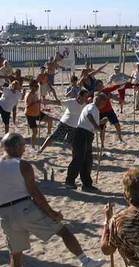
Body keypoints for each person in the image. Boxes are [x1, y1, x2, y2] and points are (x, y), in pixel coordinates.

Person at [0, 133, 105, 267]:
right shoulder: (23, 165)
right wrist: (51, 212)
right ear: (16, 147)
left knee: (16, 254)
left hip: (5, 214)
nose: (24, 149)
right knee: (63, 231)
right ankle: (85, 260)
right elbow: (35, 193)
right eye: (22, 146)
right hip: (24, 208)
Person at [65, 93, 107, 192]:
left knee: (87, 161)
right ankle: (69, 181)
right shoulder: (92, 107)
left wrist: (101, 122)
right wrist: (97, 126)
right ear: (99, 100)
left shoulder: (93, 108)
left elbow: (90, 121)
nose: (104, 105)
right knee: (79, 159)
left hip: (87, 135)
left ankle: (87, 184)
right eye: (104, 102)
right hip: (82, 134)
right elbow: (89, 116)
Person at [39, 89, 89, 153]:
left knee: (72, 143)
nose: (86, 98)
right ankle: (41, 149)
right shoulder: (71, 102)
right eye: (85, 96)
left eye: (87, 96)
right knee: (53, 137)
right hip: (64, 123)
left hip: (74, 127)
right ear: (80, 96)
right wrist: (48, 101)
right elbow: (59, 102)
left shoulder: (86, 105)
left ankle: (75, 156)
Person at [24, 80, 54, 148]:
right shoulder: (29, 95)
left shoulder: (36, 94)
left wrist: (44, 109)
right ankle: (33, 146)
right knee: (35, 132)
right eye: (35, 86)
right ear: (31, 87)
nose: (37, 87)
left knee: (50, 120)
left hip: (37, 112)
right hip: (30, 114)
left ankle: (48, 135)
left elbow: (37, 105)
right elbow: (28, 106)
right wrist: (37, 102)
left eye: (37, 86)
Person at [97, 80, 124, 146]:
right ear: (96, 86)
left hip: (109, 111)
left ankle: (120, 138)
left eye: (101, 85)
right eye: (99, 85)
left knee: (117, 124)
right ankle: (102, 144)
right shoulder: (96, 94)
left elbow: (114, 88)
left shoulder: (106, 90)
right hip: (101, 113)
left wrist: (121, 84)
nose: (100, 87)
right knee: (102, 129)